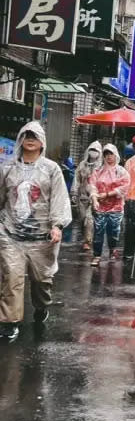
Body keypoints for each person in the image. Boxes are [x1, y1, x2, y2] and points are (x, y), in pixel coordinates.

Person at [0, 122, 72, 341]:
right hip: (11, 234)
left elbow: (59, 199)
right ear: (21, 139)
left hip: (42, 238)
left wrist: (57, 225)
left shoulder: (51, 169)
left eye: (35, 136)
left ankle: (42, 306)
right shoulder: (7, 168)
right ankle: (9, 321)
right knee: (11, 278)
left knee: (42, 282)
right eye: (26, 135)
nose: (30, 139)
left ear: (42, 142)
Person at [88, 144, 131, 266]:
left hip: (116, 207)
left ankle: (113, 248)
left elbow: (124, 186)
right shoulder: (98, 171)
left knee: (113, 231)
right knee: (98, 231)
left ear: (115, 155)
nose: (108, 157)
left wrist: (108, 194)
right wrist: (95, 199)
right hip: (100, 207)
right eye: (106, 154)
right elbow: (92, 186)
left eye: (111, 154)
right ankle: (96, 255)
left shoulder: (122, 171)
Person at [73, 140, 102, 251]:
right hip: (82, 196)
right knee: (82, 219)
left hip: (94, 197)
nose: (94, 152)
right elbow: (77, 179)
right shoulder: (82, 165)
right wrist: (74, 193)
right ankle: (86, 236)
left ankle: (88, 241)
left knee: (89, 219)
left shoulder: (100, 167)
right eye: (92, 150)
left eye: (96, 150)